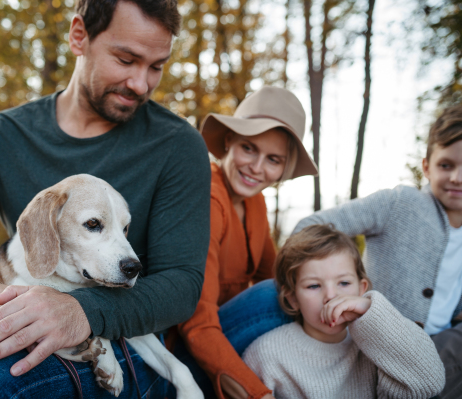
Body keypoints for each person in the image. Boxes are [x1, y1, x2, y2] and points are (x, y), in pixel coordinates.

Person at [0, 1, 211, 398]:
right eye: (126, 59)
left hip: (130, 340)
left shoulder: (178, 145)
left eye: (156, 66)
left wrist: (82, 313)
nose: (141, 83)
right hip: (32, 318)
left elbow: (182, 284)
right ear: (79, 36)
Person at [293, 104, 462, 398]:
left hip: (446, 339)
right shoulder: (400, 204)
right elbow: (310, 225)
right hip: (386, 342)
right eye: (446, 165)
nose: (457, 178)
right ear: (426, 167)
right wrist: (342, 280)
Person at [171, 86, 318, 399]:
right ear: (229, 142)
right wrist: (256, 393)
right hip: (184, 347)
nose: (257, 167)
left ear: (283, 168)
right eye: (249, 148)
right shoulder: (208, 198)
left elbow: (271, 272)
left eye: (273, 159)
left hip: (226, 331)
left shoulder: (255, 202)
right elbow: (196, 320)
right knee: (275, 296)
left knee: (293, 288)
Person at [242, 224, 445, 399]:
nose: (331, 296)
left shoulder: (379, 343)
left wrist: (369, 309)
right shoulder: (266, 353)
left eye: (344, 283)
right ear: (293, 299)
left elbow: (430, 383)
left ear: (362, 289)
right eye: (313, 286)